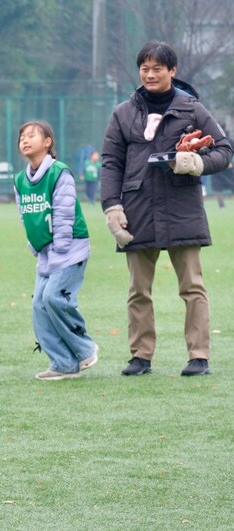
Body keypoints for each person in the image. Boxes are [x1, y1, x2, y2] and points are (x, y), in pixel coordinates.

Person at [100, 40, 233, 377]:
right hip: (137, 208)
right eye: (145, 68)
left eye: (158, 68)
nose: (150, 74)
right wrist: (112, 207)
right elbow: (111, 163)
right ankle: (140, 356)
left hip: (182, 208)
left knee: (192, 287)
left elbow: (224, 151)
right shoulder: (122, 113)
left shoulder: (193, 109)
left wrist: (196, 162)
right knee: (137, 290)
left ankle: (198, 356)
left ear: (172, 71)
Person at [14, 121, 98, 381]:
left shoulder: (59, 172)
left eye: (31, 136)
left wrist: (60, 248)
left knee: (53, 297)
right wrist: (34, 244)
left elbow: (64, 212)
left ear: (48, 142)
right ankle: (63, 363)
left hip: (69, 247)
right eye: (21, 138)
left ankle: (85, 349)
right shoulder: (20, 180)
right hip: (45, 252)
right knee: (39, 306)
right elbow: (25, 216)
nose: (25, 141)